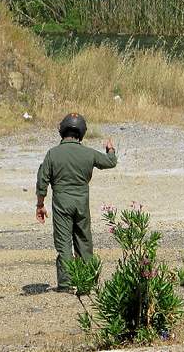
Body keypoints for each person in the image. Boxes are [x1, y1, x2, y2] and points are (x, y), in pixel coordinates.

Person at [36, 113, 117, 292]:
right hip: (81, 204)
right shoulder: (88, 153)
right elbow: (111, 162)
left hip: (61, 205)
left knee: (64, 243)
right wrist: (110, 149)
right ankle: (86, 283)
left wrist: (40, 205)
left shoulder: (52, 153)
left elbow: (42, 180)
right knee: (84, 241)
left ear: (62, 130)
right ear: (81, 132)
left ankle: (65, 284)